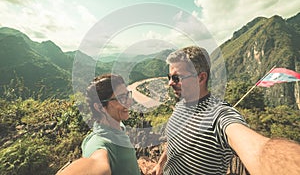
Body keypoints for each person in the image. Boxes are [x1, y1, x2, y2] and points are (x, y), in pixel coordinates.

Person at [152, 46, 300, 175]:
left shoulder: (219, 115)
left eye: (177, 78)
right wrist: (161, 163)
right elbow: (175, 139)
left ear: (201, 78)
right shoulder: (181, 105)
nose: (170, 83)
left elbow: (258, 148)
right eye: (169, 77)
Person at [56, 74, 140, 175]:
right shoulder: (99, 143)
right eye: (121, 98)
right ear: (100, 107)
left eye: (127, 95)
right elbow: (97, 164)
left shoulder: (117, 128)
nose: (129, 101)